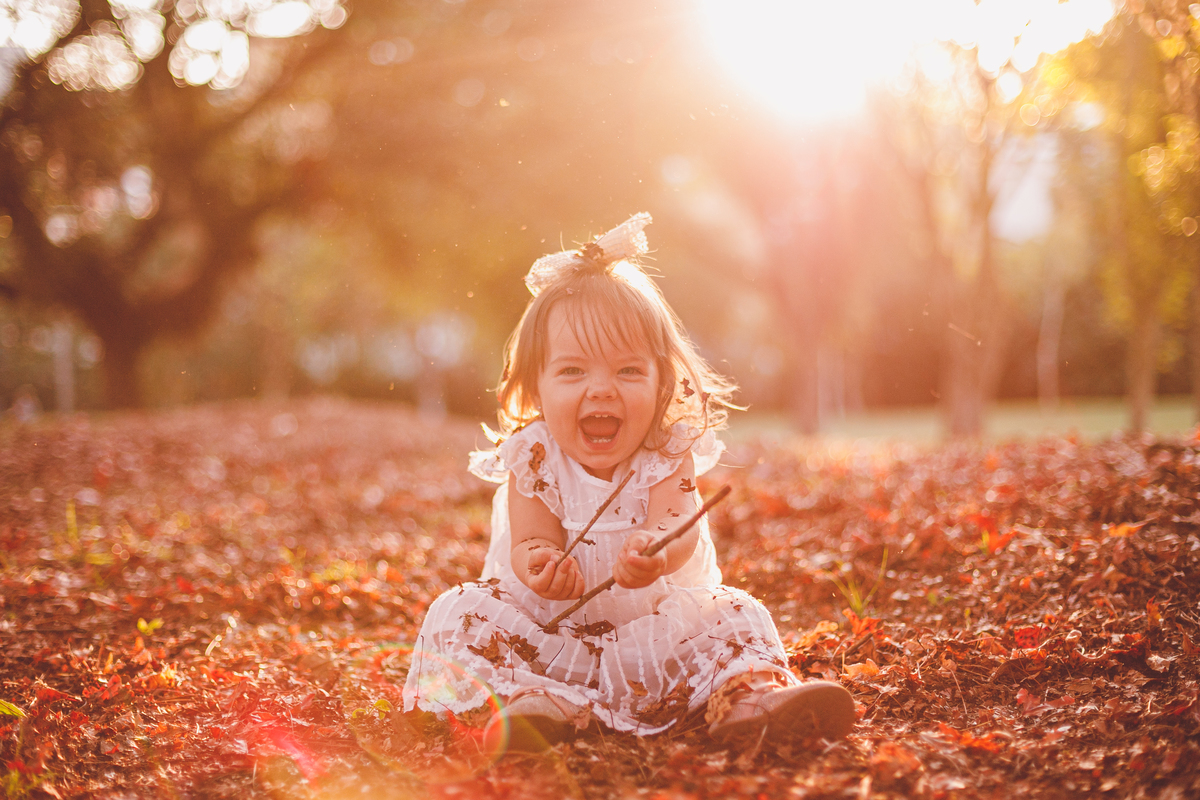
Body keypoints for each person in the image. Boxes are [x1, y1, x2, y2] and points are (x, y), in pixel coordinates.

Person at [402, 214, 854, 751]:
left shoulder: (666, 452)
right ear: (536, 387)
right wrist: (541, 563)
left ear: (664, 383)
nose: (601, 390)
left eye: (628, 371)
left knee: (738, 613)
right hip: (552, 636)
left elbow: (676, 518)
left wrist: (656, 549)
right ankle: (540, 703)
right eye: (572, 371)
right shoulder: (535, 456)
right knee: (457, 611)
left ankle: (747, 697)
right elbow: (530, 537)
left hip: (655, 638)